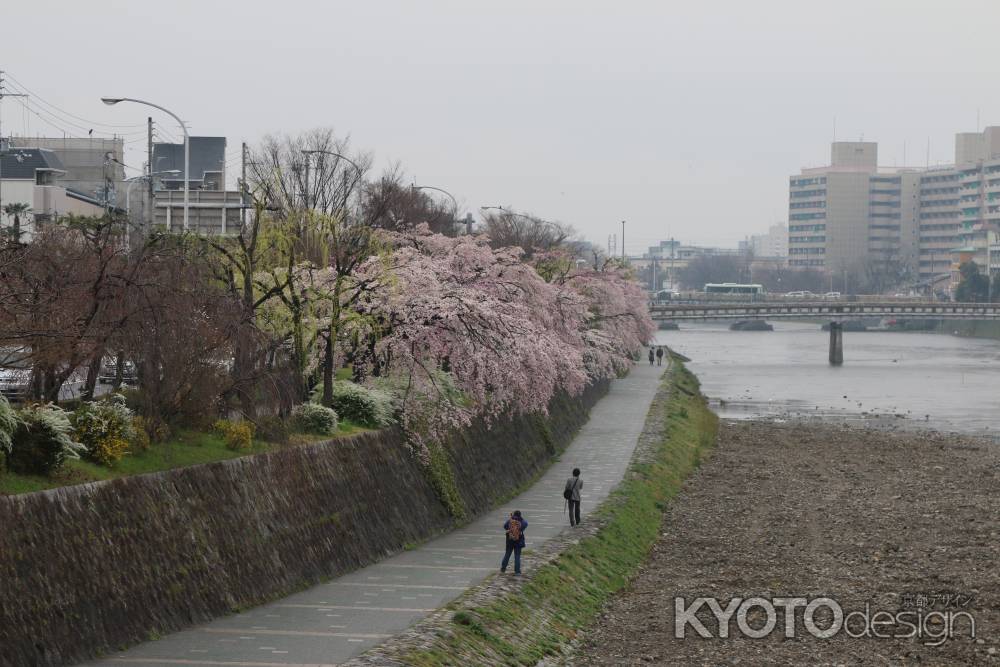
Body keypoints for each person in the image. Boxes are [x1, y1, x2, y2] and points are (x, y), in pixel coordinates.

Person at [501, 510, 527, 574]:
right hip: (518, 540)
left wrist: (511, 530)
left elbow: (505, 526)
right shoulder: (522, 521)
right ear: (520, 515)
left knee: (507, 554)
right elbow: (525, 524)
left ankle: (503, 568)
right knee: (517, 556)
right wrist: (519, 529)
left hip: (510, 540)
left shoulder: (510, 520)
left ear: (514, 514)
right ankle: (517, 571)